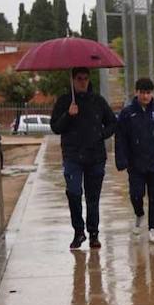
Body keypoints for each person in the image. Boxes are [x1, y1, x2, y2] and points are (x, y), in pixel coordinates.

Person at [51, 67, 117, 250]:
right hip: (72, 157)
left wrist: (101, 134)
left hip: (95, 156)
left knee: (92, 197)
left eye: (85, 78)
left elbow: (112, 122)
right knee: (73, 193)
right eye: (79, 78)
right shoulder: (65, 101)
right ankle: (78, 231)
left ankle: (93, 233)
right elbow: (55, 127)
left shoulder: (98, 101)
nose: (82, 82)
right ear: (72, 80)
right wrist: (68, 115)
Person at [115, 77, 154, 244]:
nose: (145, 96)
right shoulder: (127, 113)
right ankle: (139, 213)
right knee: (136, 194)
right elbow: (120, 138)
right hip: (135, 164)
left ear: (153, 93)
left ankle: (153, 229)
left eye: (148, 93)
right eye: (142, 92)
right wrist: (121, 160)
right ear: (136, 92)